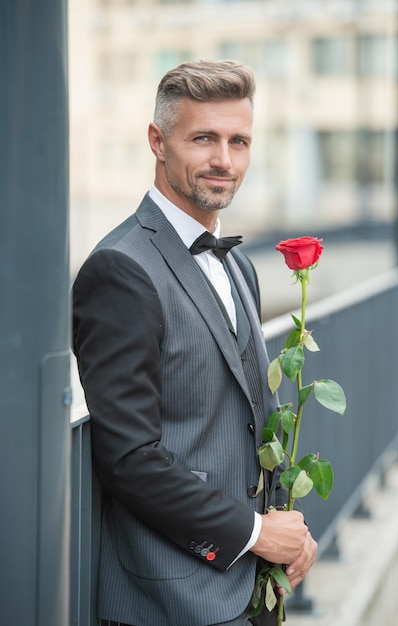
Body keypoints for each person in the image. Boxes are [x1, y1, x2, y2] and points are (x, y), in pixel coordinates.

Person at [72, 59, 317, 626]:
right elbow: (129, 457)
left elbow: (250, 422)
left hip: (250, 587)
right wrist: (256, 533)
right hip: (171, 602)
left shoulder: (239, 268)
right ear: (158, 141)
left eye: (239, 141)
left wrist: (285, 535)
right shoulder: (120, 269)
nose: (224, 161)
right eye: (203, 138)